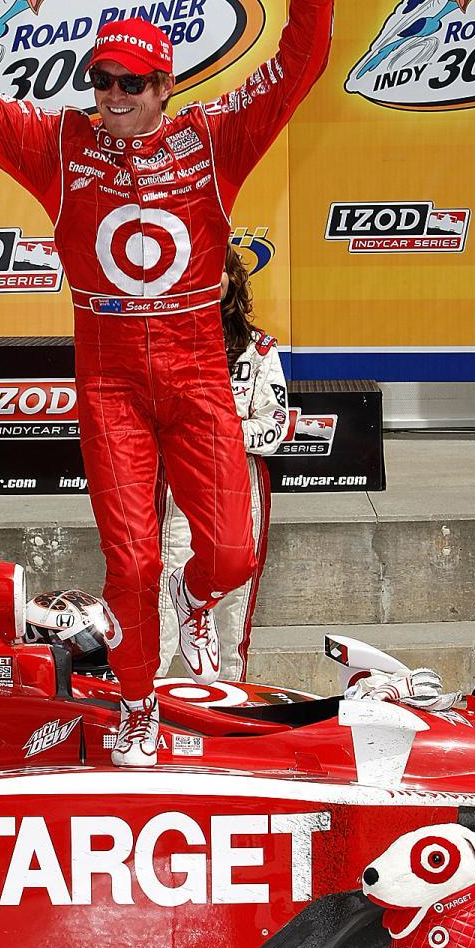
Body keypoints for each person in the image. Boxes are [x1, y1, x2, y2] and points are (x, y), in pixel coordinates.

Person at [0, 0, 333, 767]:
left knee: (228, 552)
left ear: (165, 86)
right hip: (109, 378)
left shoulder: (217, 140)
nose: (113, 96)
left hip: (194, 372)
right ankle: (140, 702)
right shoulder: (58, 148)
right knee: (131, 562)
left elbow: (298, 65)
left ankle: (198, 604)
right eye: (102, 80)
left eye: (132, 83)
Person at [158, 245, 288, 682]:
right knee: (165, 591)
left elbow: (277, 426)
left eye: (217, 273)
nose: (208, 284)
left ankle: (230, 702)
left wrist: (224, 434)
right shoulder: (164, 343)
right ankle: (150, 697)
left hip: (239, 477)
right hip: (178, 481)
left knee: (234, 595)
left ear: (233, 280)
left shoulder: (260, 349)